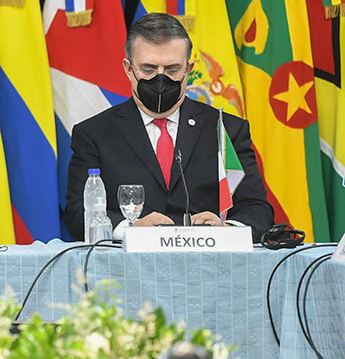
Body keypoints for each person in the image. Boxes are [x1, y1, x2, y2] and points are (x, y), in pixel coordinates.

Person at [64, 13, 273, 241]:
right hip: (127, 267)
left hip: (210, 263)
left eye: (172, 70)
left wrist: (225, 229)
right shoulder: (94, 133)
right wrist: (130, 229)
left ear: (188, 68)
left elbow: (257, 209)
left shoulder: (227, 130)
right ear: (128, 68)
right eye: (148, 69)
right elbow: (77, 213)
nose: (160, 79)